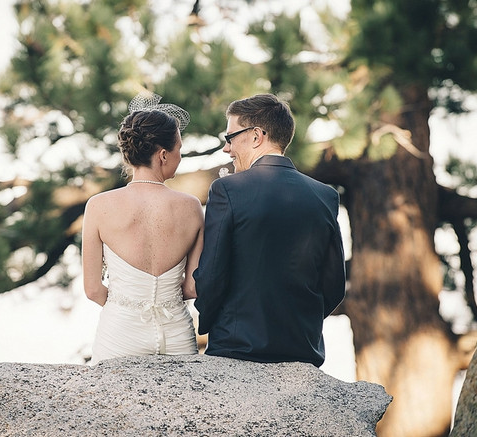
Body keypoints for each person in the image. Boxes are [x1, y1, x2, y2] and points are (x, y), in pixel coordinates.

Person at [193, 93, 346, 365]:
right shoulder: (325, 196)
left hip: (237, 347)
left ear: (256, 136)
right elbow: (334, 284)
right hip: (302, 350)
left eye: (230, 138)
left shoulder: (227, 189)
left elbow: (211, 275)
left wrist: (209, 320)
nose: (227, 149)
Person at [82, 93, 203, 365]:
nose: (180, 156)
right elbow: (193, 288)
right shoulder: (191, 207)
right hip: (177, 336)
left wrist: (127, 307)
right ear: (163, 155)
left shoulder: (99, 206)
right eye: (179, 149)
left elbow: (92, 290)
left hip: (119, 334)